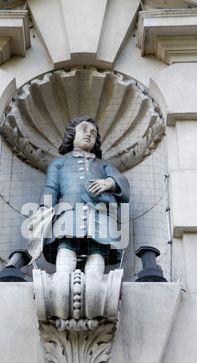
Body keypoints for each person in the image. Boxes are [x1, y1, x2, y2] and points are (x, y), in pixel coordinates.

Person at [31, 116, 130, 274]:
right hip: (69, 212)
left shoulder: (103, 165)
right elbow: (51, 188)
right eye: (83, 130)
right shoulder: (59, 163)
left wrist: (109, 182)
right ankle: (62, 278)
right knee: (66, 244)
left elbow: (123, 184)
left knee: (98, 248)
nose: (89, 134)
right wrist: (44, 208)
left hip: (100, 213)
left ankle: (94, 279)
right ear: (72, 135)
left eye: (93, 132)